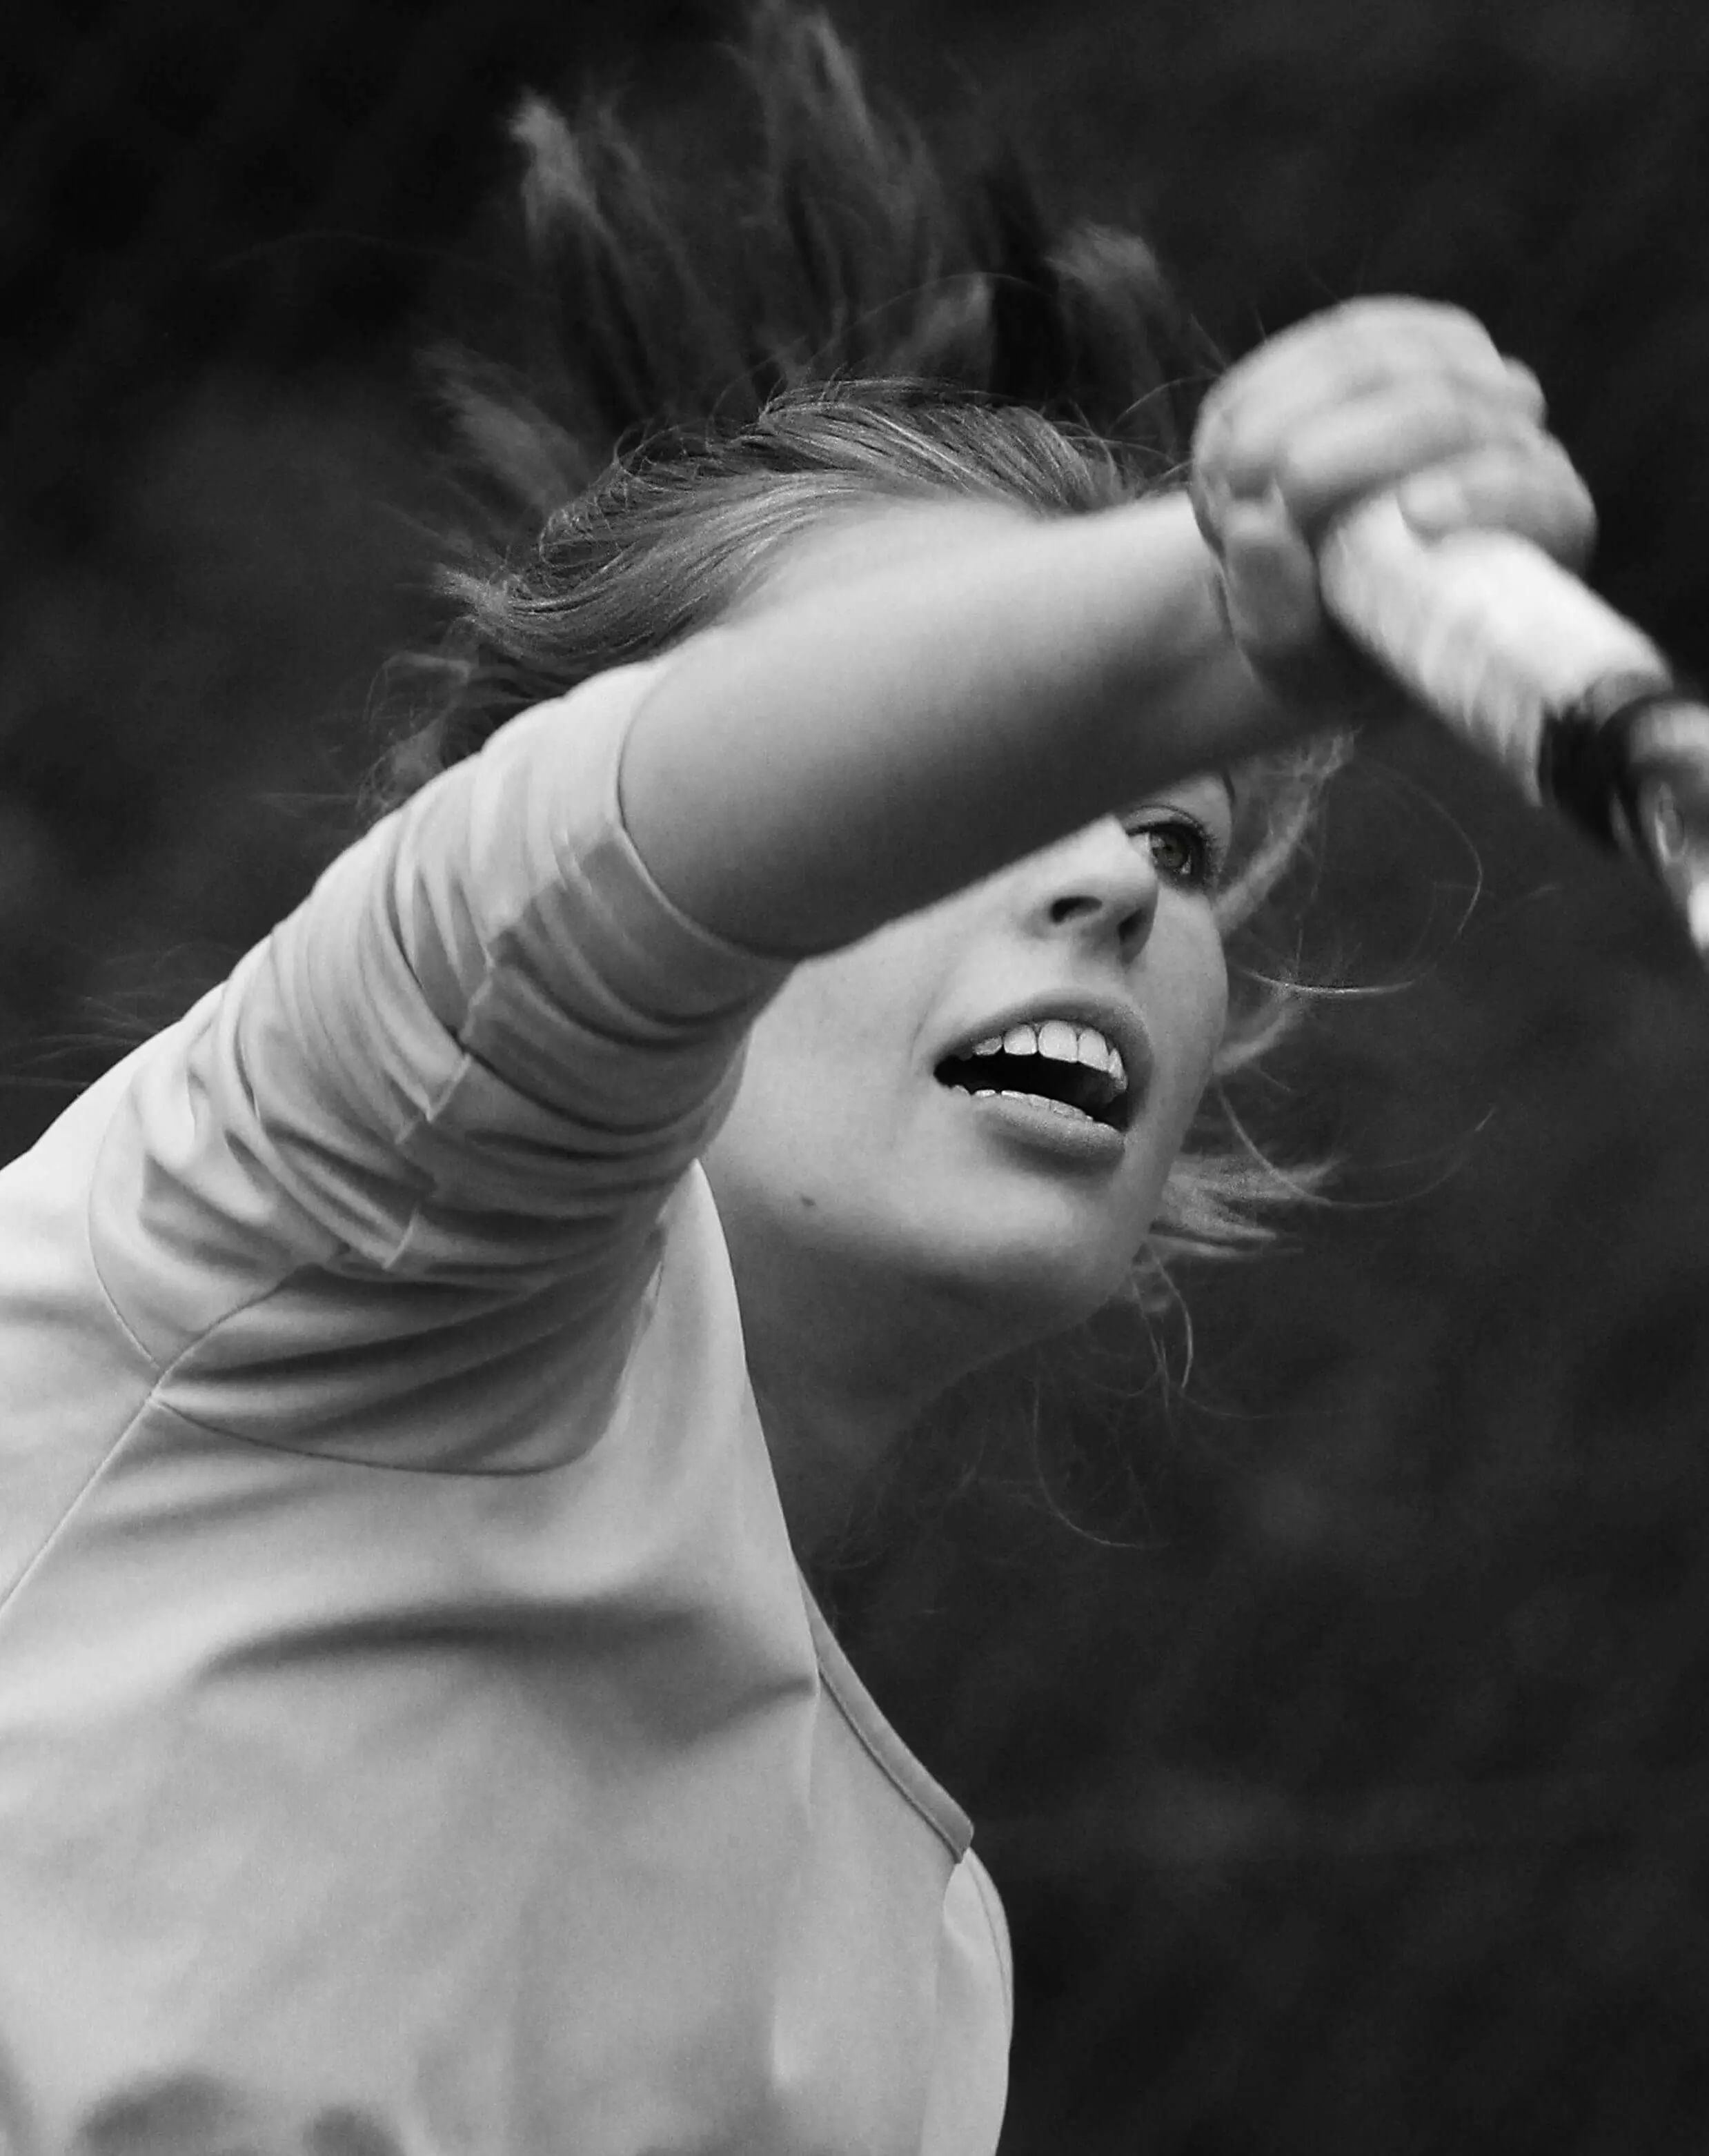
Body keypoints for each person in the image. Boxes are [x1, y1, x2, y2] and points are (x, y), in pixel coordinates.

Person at [0, 8, 1594, 2153]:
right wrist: (1224, 615)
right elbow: (608, 853)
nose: (1121, 887)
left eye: (1181, 837)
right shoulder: (309, 1197)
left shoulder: (912, 1988)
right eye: (982, 781)